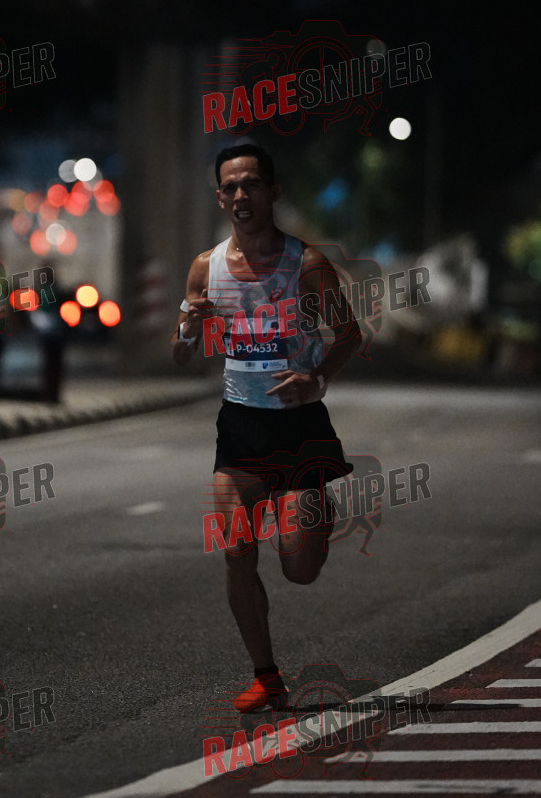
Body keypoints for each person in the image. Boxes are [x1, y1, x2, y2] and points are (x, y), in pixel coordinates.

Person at [172, 144, 362, 712]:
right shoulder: (205, 267)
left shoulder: (307, 265)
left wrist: (317, 379)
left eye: (251, 184)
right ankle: (266, 676)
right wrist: (188, 329)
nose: (240, 195)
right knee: (236, 552)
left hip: (299, 424)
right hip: (239, 424)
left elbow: (349, 334)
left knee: (299, 567)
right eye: (230, 187)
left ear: (272, 192)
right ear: (219, 197)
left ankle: (315, 512)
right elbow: (181, 354)